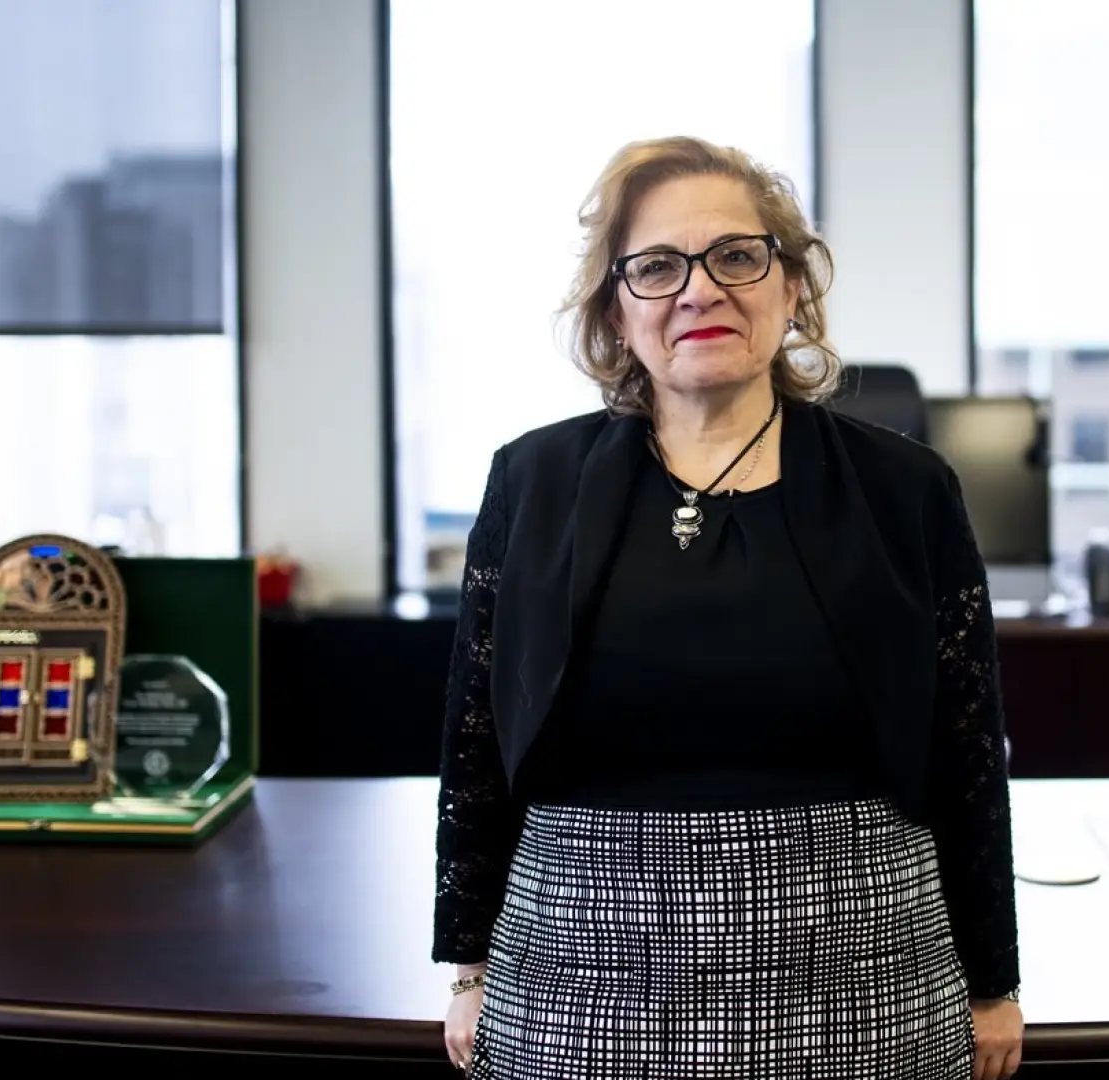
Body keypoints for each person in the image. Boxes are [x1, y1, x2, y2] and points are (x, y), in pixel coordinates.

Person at [433, 134, 1021, 1079]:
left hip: (863, 984)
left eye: (736, 256)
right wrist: (468, 967)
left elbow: (967, 746)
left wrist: (993, 981)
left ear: (791, 287)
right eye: (656, 267)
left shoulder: (907, 488)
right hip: (580, 984)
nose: (699, 290)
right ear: (617, 310)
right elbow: (474, 741)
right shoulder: (531, 481)